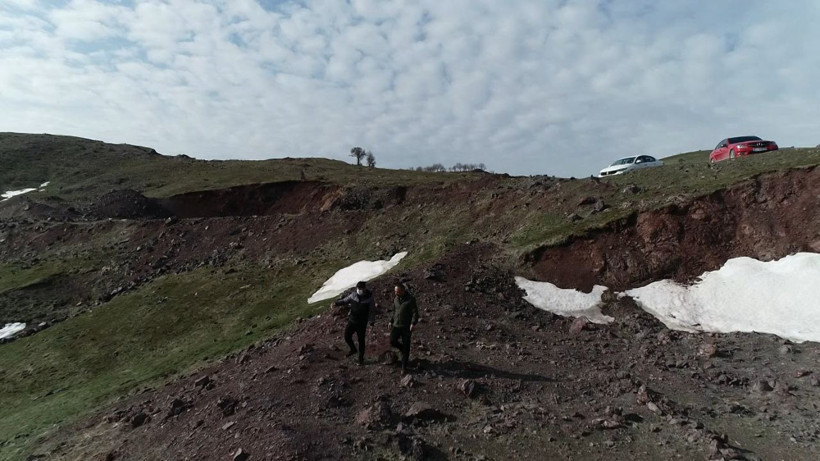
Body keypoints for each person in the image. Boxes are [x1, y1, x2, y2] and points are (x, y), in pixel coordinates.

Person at [332, 281, 376, 365]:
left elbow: (372, 311)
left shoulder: (369, 298)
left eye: (361, 288)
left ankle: (360, 359)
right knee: (347, 336)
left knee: (361, 341)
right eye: (358, 288)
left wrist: (371, 322)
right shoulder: (353, 295)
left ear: (364, 288)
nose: (359, 290)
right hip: (352, 321)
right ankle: (353, 349)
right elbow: (345, 300)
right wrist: (336, 303)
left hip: (362, 323)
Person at [389, 282, 419, 374]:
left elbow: (415, 313)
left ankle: (404, 367)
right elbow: (394, 311)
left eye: (397, 291)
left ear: (403, 291)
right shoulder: (395, 299)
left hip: (406, 327)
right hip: (396, 325)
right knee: (392, 341)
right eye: (395, 291)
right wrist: (390, 321)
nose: (395, 293)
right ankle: (402, 350)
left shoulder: (410, 299)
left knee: (406, 345)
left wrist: (413, 323)